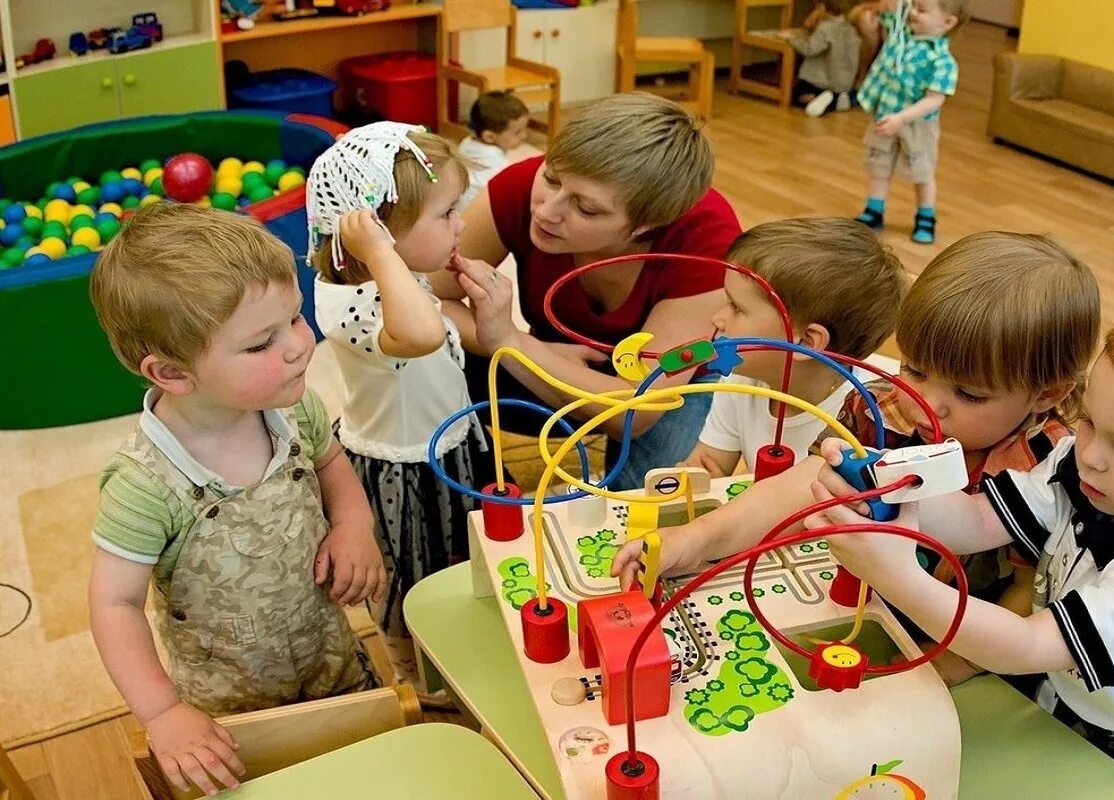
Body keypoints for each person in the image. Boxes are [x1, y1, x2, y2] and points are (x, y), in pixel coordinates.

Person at [810, 290, 1114, 773]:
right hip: (1068, 685)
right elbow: (979, 520)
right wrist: (888, 480)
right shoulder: (1087, 468)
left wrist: (898, 577)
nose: (1090, 454)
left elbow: (1026, 646)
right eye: (1089, 422)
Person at [613, 232, 1101, 655]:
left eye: (968, 394)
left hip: (966, 646)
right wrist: (693, 541)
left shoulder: (1050, 470)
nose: (925, 403)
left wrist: (949, 667)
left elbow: (1027, 596)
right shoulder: (881, 408)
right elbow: (802, 486)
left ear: (1047, 395)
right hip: (862, 604)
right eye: (914, 369)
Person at [87, 204, 384, 796]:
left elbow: (331, 463)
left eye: (296, 318)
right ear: (171, 372)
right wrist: (163, 714)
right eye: (260, 344)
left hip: (330, 655)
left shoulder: (295, 406)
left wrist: (353, 523)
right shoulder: (143, 485)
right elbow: (113, 605)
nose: (301, 346)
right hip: (231, 706)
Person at [432, 92, 743, 489]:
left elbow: (638, 410)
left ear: (647, 225)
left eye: (587, 209)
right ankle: (477, 491)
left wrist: (512, 343)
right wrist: (510, 345)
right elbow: (427, 296)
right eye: (551, 178)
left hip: (671, 389)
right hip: (559, 363)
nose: (546, 210)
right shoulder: (517, 188)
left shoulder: (706, 242)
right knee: (418, 351)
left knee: (648, 501)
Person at [307, 122, 495, 699]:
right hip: (403, 470)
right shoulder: (350, 300)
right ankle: (417, 675)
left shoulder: (396, 279)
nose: (461, 224)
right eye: (445, 215)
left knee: (462, 560)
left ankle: (462, 644)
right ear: (378, 238)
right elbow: (419, 336)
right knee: (414, 576)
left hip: (448, 444)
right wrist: (384, 255)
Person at [683, 217, 906, 477]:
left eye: (736, 308)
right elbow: (707, 470)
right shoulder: (742, 378)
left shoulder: (862, 421)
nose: (717, 318)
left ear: (807, 342)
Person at [853, 0, 969, 243]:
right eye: (914, 6)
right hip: (886, 114)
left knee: (922, 171)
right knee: (879, 163)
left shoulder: (943, 61)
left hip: (917, 125)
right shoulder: (901, 33)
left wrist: (902, 118)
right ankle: (874, 209)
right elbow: (888, 10)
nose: (913, 13)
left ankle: (925, 215)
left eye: (922, 10)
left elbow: (934, 100)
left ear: (947, 22)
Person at [776, 0, 864, 117]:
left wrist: (790, 40)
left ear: (822, 8)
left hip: (821, 82)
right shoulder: (851, 28)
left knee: (794, 94)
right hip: (844, 84)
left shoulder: (825, 29)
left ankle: (823, 99)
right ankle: (838, 99)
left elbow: (810, 50)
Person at [456, 90, 531, 212]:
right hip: (475, 215)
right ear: (489, 137)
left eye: (525, 129)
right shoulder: (501, 167)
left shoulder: (467, 142)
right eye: (517, 132)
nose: (524, 136)